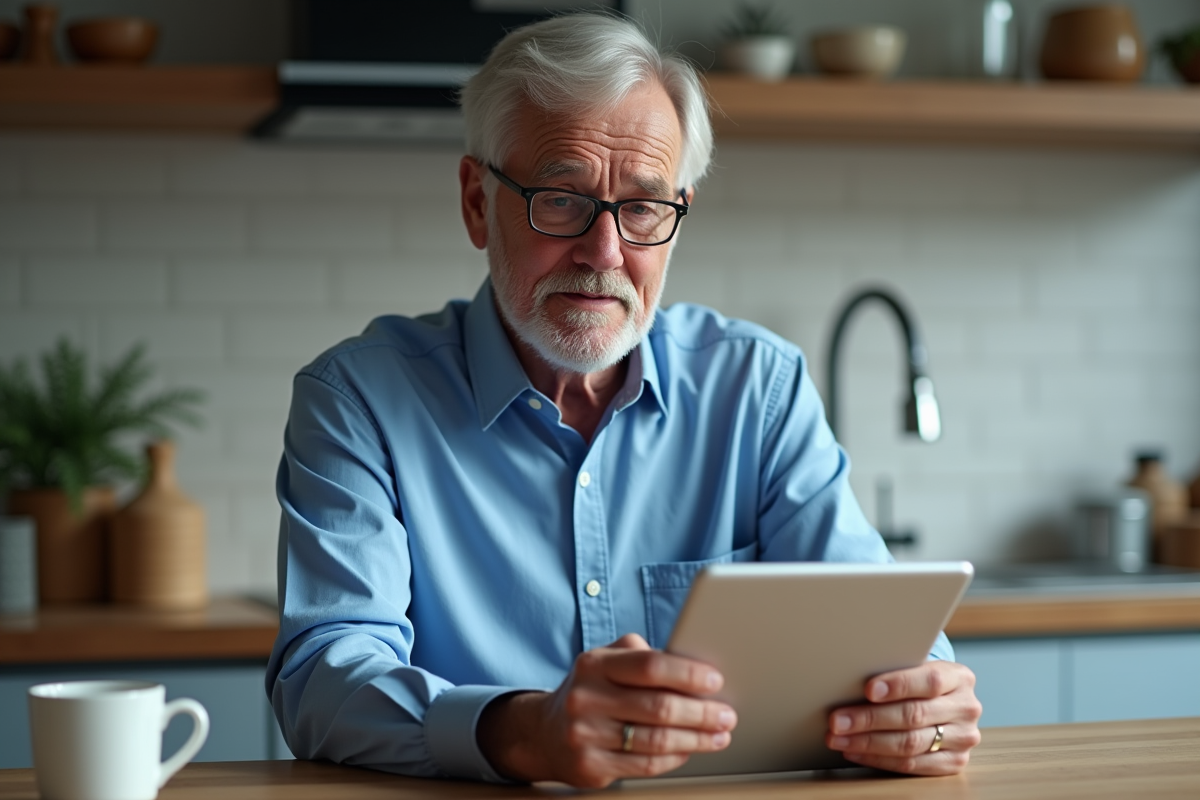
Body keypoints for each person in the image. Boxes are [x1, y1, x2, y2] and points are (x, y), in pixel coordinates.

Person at [265, 13, 982, 789]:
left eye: (641, 208)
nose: (604, 253)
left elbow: (877, 631)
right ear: (478, 202)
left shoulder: (759, 388)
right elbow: (321, 680)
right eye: (561, 199)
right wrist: (522, 731)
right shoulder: (359, 401)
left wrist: (921, 705)